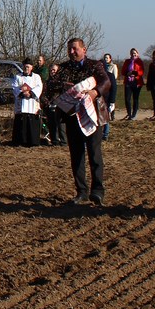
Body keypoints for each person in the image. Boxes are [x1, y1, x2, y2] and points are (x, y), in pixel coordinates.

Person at [47, 38, 112, 206]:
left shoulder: (95, 65)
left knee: (94, 153)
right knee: (76, 155)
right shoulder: (63, 68)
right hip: (71, 116)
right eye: (69, 49)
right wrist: (64, 86)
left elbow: (106, 82)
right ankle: (81, 191)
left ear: (84, 49)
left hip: (93, 116)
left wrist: (95, 92)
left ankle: (97, 191)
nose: (71, 52)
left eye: (75, 49)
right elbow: (51, 85)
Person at [10, 58, 43, 147]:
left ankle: (33, 141)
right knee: (21, 121)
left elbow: (39, 87)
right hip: (22, 102)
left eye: (28, 67)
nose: (26, 69)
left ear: (31, 67)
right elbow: (14, 87)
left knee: (32, 122)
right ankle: (20, 141)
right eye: (25, 67)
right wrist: (22, 93)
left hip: (32, 102)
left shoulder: (37, 77)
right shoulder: (18, 77)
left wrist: (31, 93)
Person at [42, 63, 66, 146]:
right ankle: (54, 141)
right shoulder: (47, 82)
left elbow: (64, 93)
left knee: (61, 124)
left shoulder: (62, 82)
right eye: (51, 70)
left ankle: (63, 141)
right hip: (49, 105)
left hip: (60, 105)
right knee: (52, 124)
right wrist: (47, 102)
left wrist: (58, 101)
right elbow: (43, 94)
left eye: (54, 70)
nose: (52, 71)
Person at [122, 48, 144, 120]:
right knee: (127, 99)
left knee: (135, 99)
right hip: (128, 82)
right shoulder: (127, 61)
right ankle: (129, 114)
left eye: (134, 53)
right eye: (132, 53)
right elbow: (123, 71)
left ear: (137, 54)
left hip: (136, 82)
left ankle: (134, 114)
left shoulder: (139, 61)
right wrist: (127, 73)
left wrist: (135, 73)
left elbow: (141, 71)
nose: (133, 54)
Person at [101, 53, 120, 139]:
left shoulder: (110, 75)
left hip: (107, 99)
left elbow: (114, 88)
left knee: (106, 116)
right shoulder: (96, 76)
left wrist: (112, 102)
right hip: (98, 98)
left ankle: (105, 133)